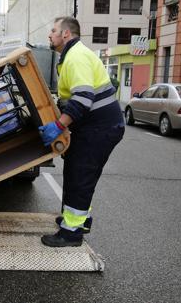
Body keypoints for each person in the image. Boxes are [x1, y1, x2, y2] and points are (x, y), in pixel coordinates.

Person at [38, 17, 124, 247]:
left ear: (66, 34)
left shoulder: (76, 57)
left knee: (80, 176)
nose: (50, 34)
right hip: (94, 126)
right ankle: (78, 219)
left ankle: (71, 233)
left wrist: (58, 126)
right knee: (77, 173)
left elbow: (83, 99)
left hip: (99, 128)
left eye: (53, 30)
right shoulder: (70, 57)